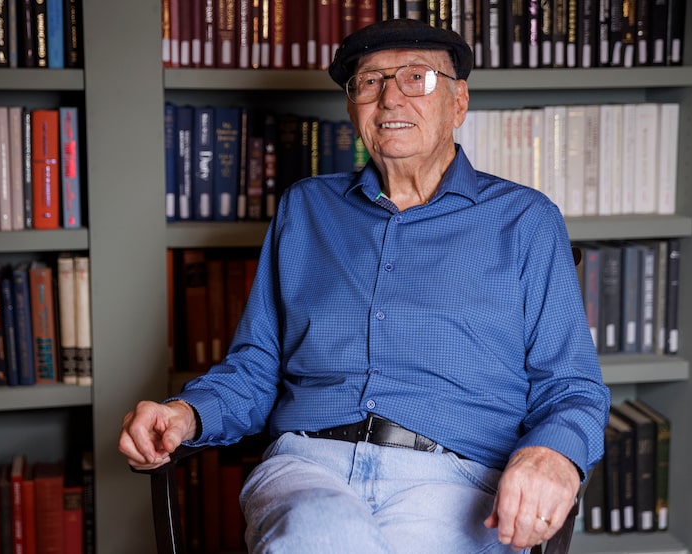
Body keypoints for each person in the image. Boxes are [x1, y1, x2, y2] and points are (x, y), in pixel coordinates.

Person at [119, 18, 610, 553]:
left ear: (458, 102)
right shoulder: (306, 209)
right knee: (324, 531)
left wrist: (554, 455)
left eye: (416, 78)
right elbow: (255, 368)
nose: (390, 98)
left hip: (453, 483)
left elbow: (574, 387)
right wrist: (184, 414)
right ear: (353, 107)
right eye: (370, 82)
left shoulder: (526, 220)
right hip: (307, 469)